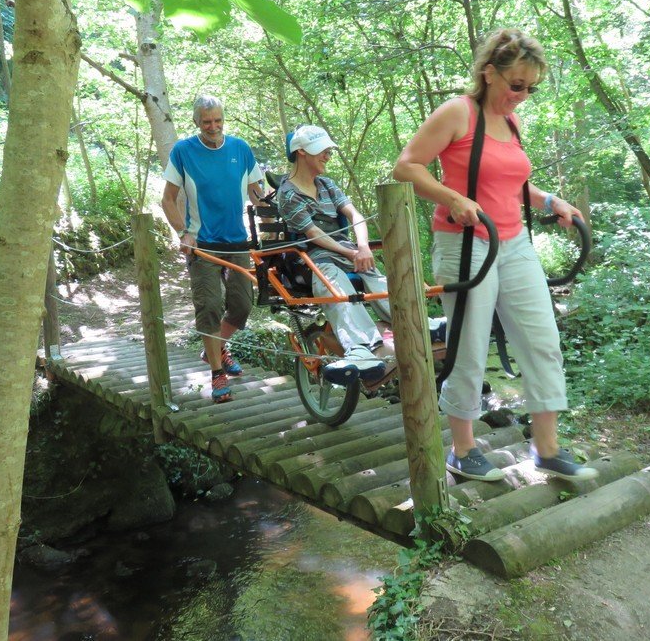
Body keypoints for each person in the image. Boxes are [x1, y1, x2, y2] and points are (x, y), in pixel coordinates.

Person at [393, 28, 598, 483]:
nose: (522, 96)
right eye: (516, 85)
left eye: (530, 88)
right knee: (468, 347)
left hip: (515, 243)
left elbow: (512, 181)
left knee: (542, 341)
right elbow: (406, 166)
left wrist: (550, 202)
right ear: (489, 74)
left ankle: (546, 448)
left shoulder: (511, 123)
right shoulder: (457, 113)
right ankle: (462, 450)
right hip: (466, 243)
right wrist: (451, 198)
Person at [161, 95, 264, 403]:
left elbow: (258, 193)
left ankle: (216, 348)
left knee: (242, 306)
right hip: (202, 244)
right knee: (208, 308)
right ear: (196, 122)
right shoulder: (183, 151)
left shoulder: (241, 149)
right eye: (207, 122)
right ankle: (218, 374)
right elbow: (168, 199)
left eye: (218, 120)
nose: (213, 127)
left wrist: (274, 221)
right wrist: (184, 233)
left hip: (237, 242)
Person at [275, 125, 390, 384]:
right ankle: (361, 348)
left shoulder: (327, 184)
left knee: (373, 273)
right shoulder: (289, 194)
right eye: (322, 151)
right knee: (333, 280)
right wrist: (349, 253)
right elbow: (313, 233)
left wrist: (362, 248)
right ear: (302, 152)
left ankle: (415, 322)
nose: (327, 155)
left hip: (345, 250)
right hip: (313, 258)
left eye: (328, 151)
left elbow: (355, 215)